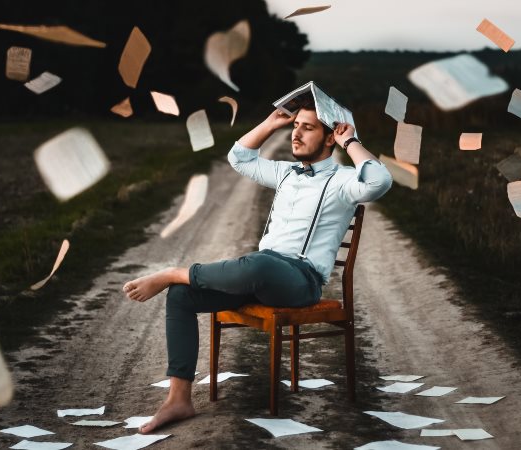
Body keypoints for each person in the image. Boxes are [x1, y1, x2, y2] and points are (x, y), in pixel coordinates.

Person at [122, 99, 393, 433]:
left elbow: (379, 182)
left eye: (307, 128)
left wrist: (350, 141)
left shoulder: (344, 180)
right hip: (260, 275)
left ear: (329, 138)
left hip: (300, 281)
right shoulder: (284, 173)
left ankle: (174, 273)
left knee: (257, 264)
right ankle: (179, 400)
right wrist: (270, 123)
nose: (296, 134)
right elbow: (238, 158)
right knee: (181, 297)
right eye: (296, 126)